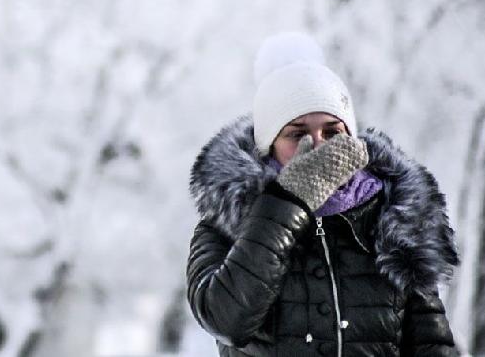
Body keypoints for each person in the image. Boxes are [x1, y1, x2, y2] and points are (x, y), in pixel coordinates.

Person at [186, 32, 459, 356]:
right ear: (268, 144)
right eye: (297, 133)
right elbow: (226, 320)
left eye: (332, 131)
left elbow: (431, 345)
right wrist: (288, 201)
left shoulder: (394, 219)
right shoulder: (226, 222)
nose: (318, 145)